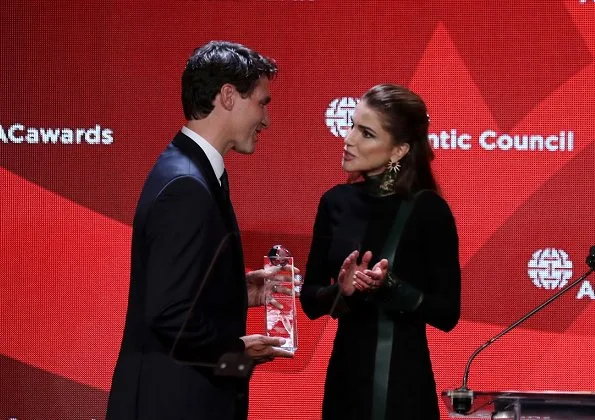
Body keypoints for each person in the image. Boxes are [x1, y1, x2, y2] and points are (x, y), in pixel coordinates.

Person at [106, 41, 293, 420]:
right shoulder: (186, 185)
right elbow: (168, 312)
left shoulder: (191, 172)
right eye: (262, 103)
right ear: (227, 96)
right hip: (174, 403)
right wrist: (238, 347)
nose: (267, 120)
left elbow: (179, 292)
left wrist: (240, 290)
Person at [300, 84, 461, 419]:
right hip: (346, 381)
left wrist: (393, 288)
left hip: (403, 383)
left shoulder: (429, 211)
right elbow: (310, 301)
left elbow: (448, 313)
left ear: (398, 150)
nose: (349, 139)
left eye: (366, 133)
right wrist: (342, 291)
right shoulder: (334, 203)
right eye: (352, 125)